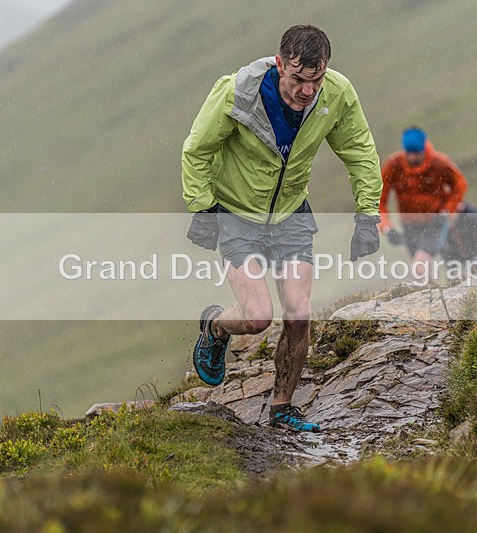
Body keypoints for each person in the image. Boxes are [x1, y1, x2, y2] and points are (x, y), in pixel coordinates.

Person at [181, 25, 382, 432]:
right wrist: (203, 209)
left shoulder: (338, 94)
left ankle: (282, 408)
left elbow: (360, 152)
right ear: (279, 66)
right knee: (257, 318)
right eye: (298, 80)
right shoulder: (239, 91)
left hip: (291, 214)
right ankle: (216, 327)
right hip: (237, 215)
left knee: (299, 314)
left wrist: (367, 216)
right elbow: (197, 149)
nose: (308, 91)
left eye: (316, 80)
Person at [378, 127, 477, 282]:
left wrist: (447, 211)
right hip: (409, 225)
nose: (412, 158)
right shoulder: (393, 165)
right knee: (422, 277)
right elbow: (378, 199)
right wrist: (386, 227)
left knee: (420, 266)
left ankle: (457, 291)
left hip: (435, 222)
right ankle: (434, 300)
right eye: (409, 153)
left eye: (416, 153)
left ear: (424, 149)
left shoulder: (439, 163)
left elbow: (459, 185)